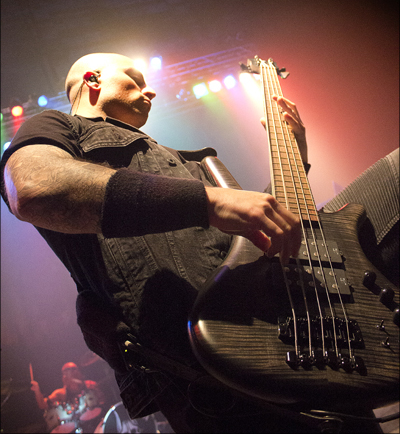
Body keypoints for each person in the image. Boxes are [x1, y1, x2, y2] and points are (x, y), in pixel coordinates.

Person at [1, 52, 398, 433]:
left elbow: (259, 239)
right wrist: (211, 201)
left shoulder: (189, 162)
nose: (150, 90)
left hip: (293, 324)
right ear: (93, 80)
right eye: (135, 80)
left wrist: (295, 151)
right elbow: (34, 186)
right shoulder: (58, 126)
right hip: (217, 369)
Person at [31, 361, 104, 432]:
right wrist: (37, 390)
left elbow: (102, 401)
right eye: (68, 371)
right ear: (64, 377)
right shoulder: (60, 394)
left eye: (74, 370)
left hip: (94, 423)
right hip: (74, 428)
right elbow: (42, 405)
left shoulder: (90, 385)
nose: (72, 372)